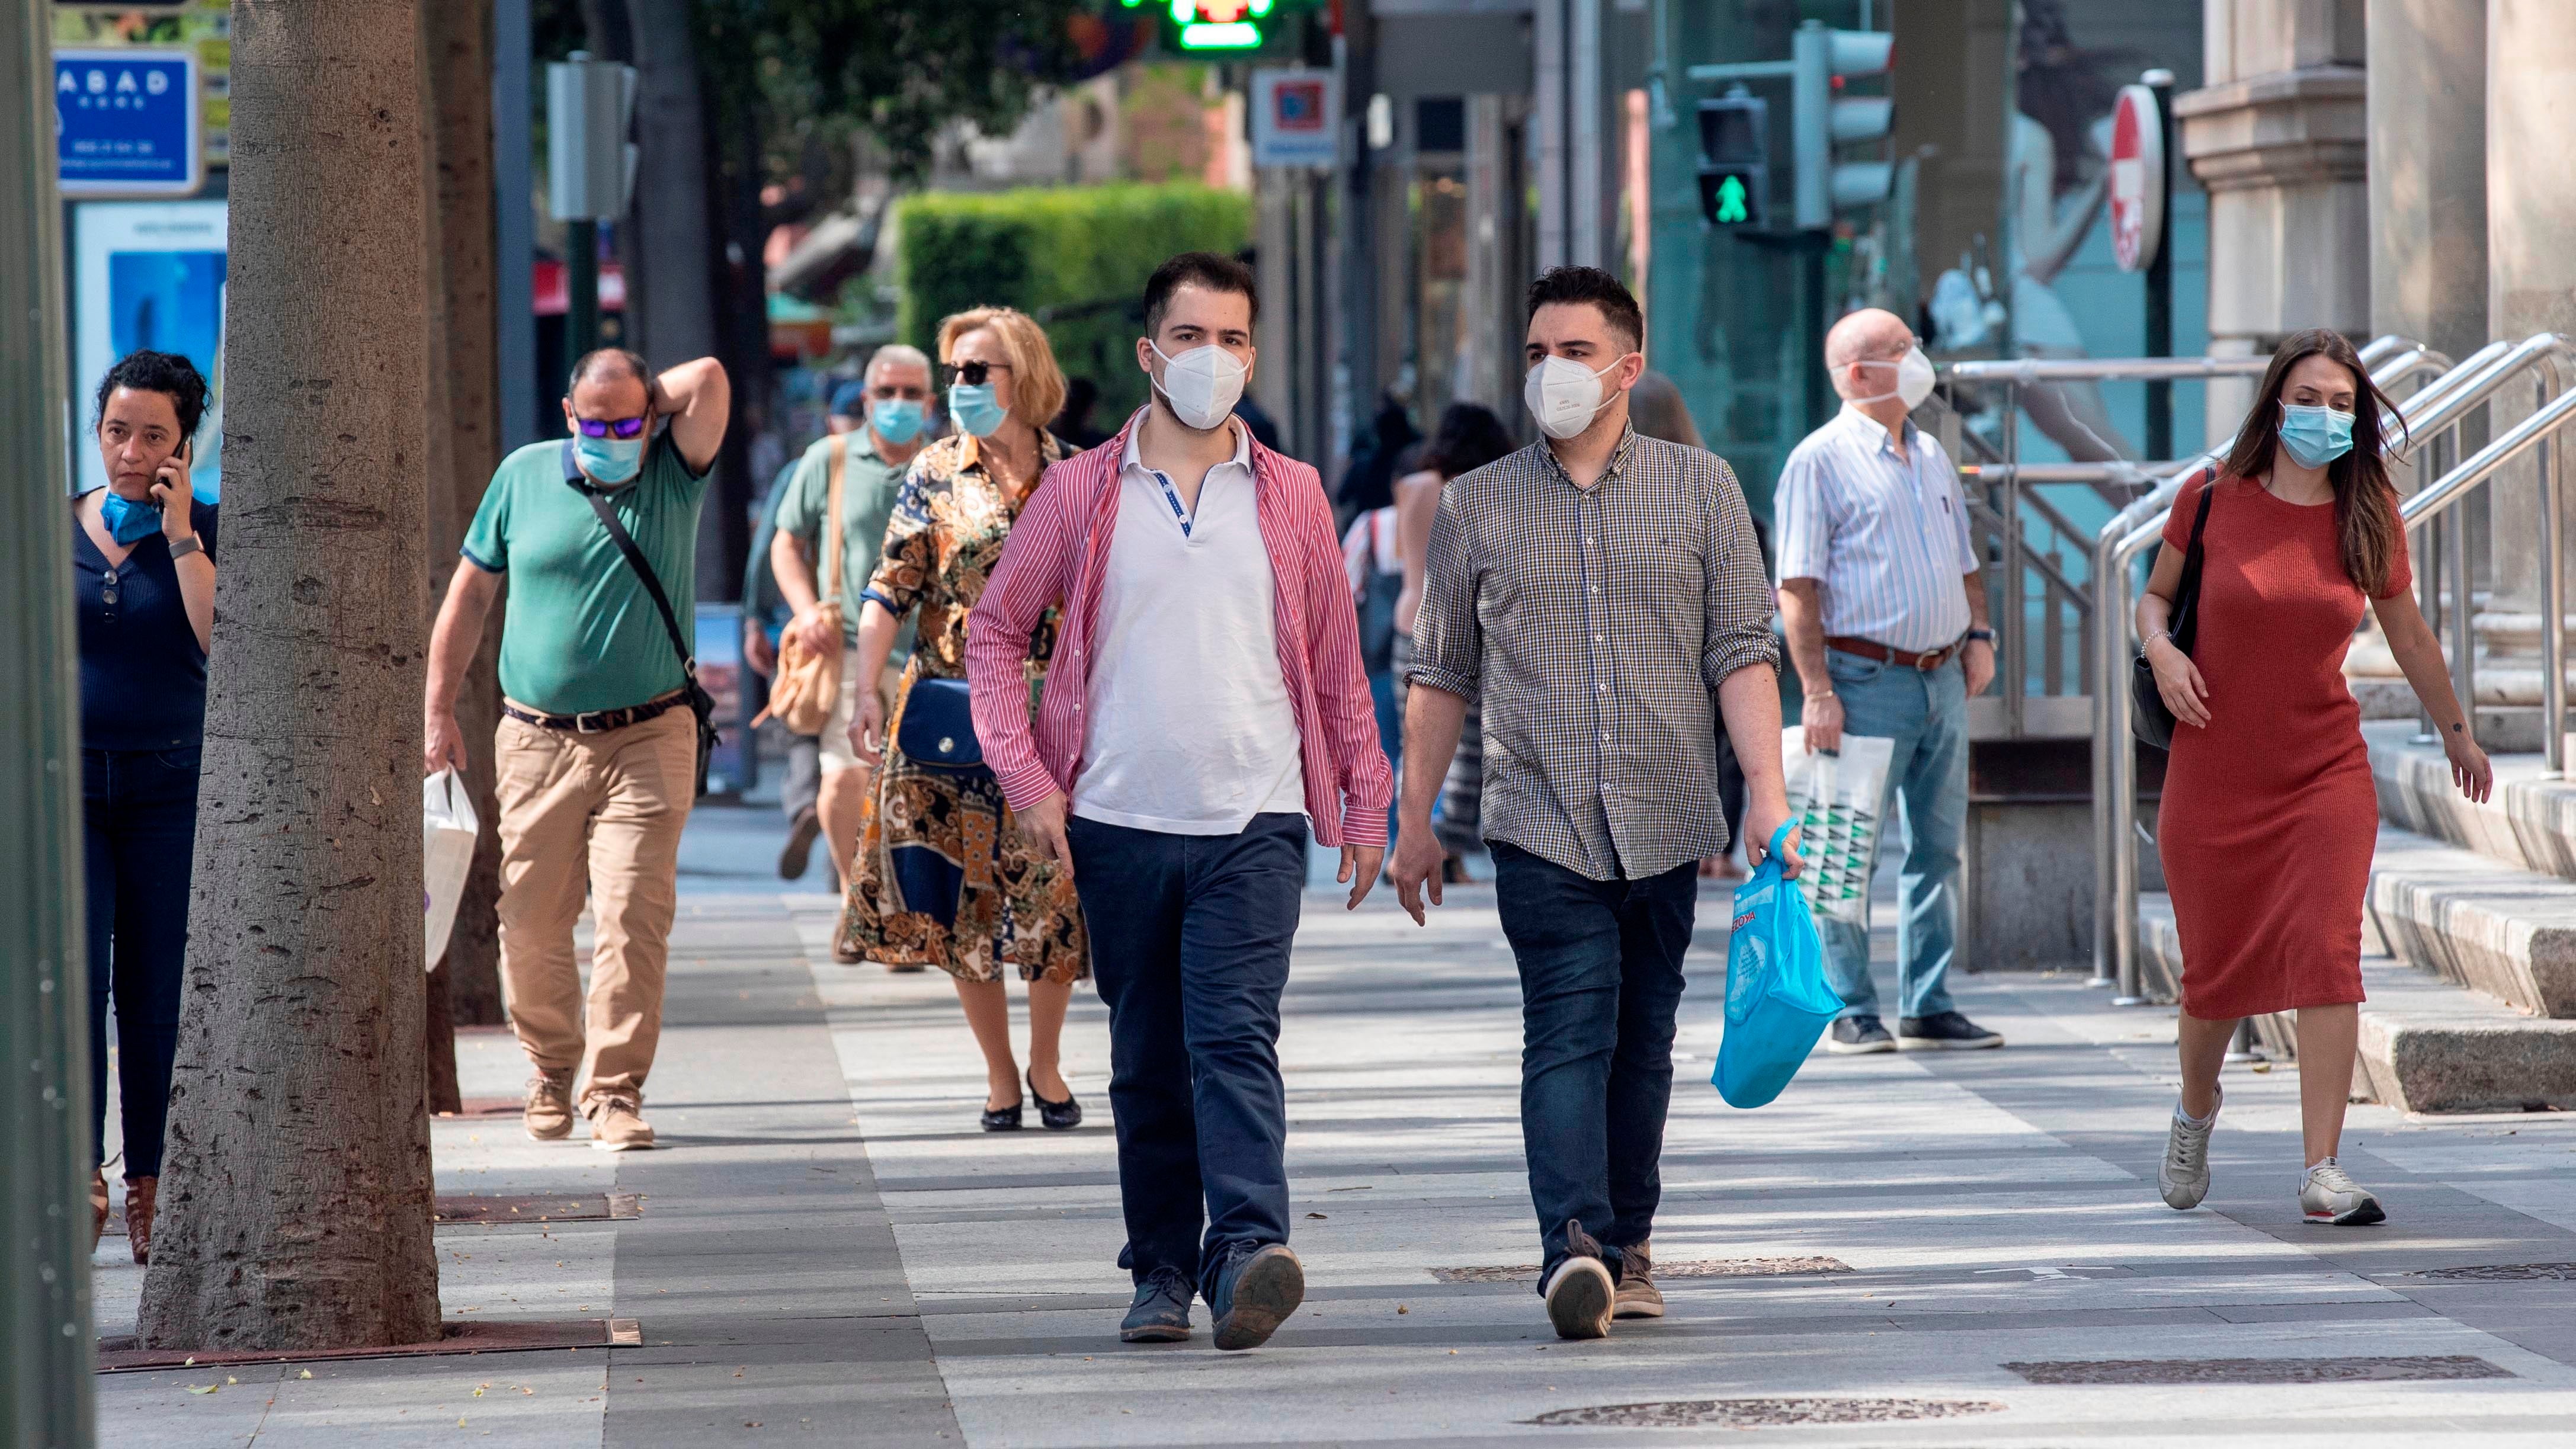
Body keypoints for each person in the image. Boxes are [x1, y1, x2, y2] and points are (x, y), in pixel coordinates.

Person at [968, 252, 1392, 1352]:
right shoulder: (1079, 492)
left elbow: (1338, 663)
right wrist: (1028, 782)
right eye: (1193, 338)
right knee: (1148, 1057)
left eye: (1235, 339)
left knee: (1235, 1037)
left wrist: (1365, 798)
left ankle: (1247, 1249)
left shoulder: (1292, 493)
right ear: (1151, 353)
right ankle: (1159, 1267)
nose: (1215, 359)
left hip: (1254, 817)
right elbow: (995, 631)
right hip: (1115, 820)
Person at [1392, 266, 1793, 1341]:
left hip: (1664, 813)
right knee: (1568, 1026)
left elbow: (1742, 652)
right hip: (1538, 816)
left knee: (1643, 1034)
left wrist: (1766, 796)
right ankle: (1572, 1242)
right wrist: (1413, 818)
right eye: (1534, 354)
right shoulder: (1478, 503)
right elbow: (1440, 673)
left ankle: (1630, 1242)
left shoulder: (1702, 489)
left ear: (1628, 363)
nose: (1551, 373)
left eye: (1573, 353)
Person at [2139, 328, 2490, 1226]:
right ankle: (2197, 1108)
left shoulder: (2366, 510)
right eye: (2309, 398)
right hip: (2214, 768)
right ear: (2274, 403)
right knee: (2214, 976)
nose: (2324, 415)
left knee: (2329, 954)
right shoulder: (2212, 496)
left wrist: (2459, 734)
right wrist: (2161, 653)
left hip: (2325, 766)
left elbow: (2408, 635)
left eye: (2342, 403)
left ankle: (2323, 1169)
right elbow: (2153, 595)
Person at [425, 348, 730, 1153]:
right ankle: (551, 1070)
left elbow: (711, 377)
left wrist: (646, 413)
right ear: (567, 416)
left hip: (650, 731)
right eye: (593, 423)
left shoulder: (673, 472)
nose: (609, 436)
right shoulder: (524, 476)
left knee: (631, 914)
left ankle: (616, 1089)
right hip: (536, 737)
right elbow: (470, 593)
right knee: (529, 919)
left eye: (625, 422)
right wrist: (437, 709)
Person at [840, 308, 1088, 1130]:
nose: (960, 387)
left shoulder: (1079, 476)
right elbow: (891, 585)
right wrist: (862, 685)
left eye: (977, 371)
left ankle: (1047, 1064)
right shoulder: (935, 471)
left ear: (1026, 376)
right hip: (949, 711)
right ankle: (1000, 1075)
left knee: (1053, 893)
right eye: (955, 372)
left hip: (1048, 717)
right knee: (958, 904)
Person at [1775, 308, 2007, 1057]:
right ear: (1856, 374)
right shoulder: (1817, 461)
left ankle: (1927, 1001)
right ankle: (1851, 1005)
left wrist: (1979, 634)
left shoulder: (1932, 454)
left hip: (1941, 674)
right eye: (1898, 350)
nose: (1917, 359)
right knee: (1846, 848)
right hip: (1862, 677)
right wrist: (1816, 690)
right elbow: (1798, 588)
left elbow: (1962, 557)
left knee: (1938, 847)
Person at [75, 350, 217, 1262]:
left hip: (172, 785)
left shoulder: (204, 532)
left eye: (153, 436)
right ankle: (78, 1175)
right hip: (72, 788)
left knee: (157, 994)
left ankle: (152, 1186)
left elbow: (217, 642)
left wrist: (179, 531)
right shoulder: (55, 527)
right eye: (118, 431)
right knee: (77, 984)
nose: (131, 451)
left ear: (183, 445)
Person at [771, 350, 932, 899]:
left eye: (912, 393)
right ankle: (855, 896)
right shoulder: (830, 459)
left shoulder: (948, 464)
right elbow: (785, 543)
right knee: (844, 776)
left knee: (912, 789)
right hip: (845, 646)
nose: (898, 404)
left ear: (930, 403)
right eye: (886, 392)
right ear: (865, 400)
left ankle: (900, 912)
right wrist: (805, 608)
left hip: (927, 654)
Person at [744, 379, 872, 882]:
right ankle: (837, 851)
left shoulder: (806, 465)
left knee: (804, 721)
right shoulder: (813, 467)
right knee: (834, 738)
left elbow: (766, 550)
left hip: (808, 626)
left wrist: (754, 617)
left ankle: (806, 808)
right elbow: (777, 549)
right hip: (824, 625)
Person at [1392, 403, 1516, 883]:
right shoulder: (1475, 494)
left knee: (1416, 742)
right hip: (1456, 625)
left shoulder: (1412, 488)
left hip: (1408, 620)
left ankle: (1414, 840)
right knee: (1467, 744)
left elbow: (1402, 555)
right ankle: (1446, 844)